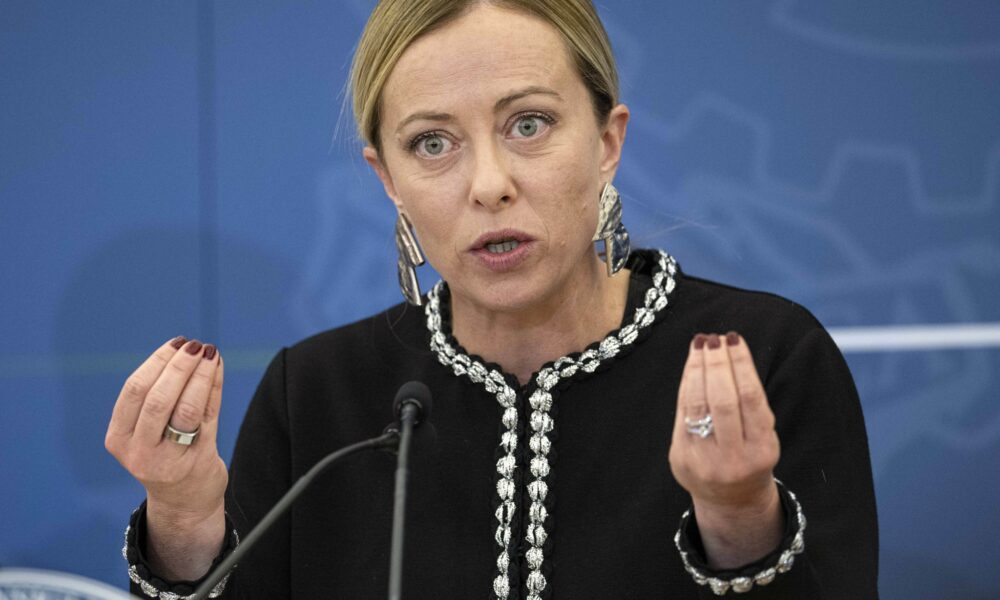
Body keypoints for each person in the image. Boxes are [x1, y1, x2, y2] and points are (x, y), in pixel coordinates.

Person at [105, 0, 879, 598]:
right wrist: (182, 523)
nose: (488, 185)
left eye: (529, 124)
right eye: (432, 144)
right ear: (388, 180)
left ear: (607, 142)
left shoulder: (766, 356)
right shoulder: (312, 395)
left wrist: (741, 518)